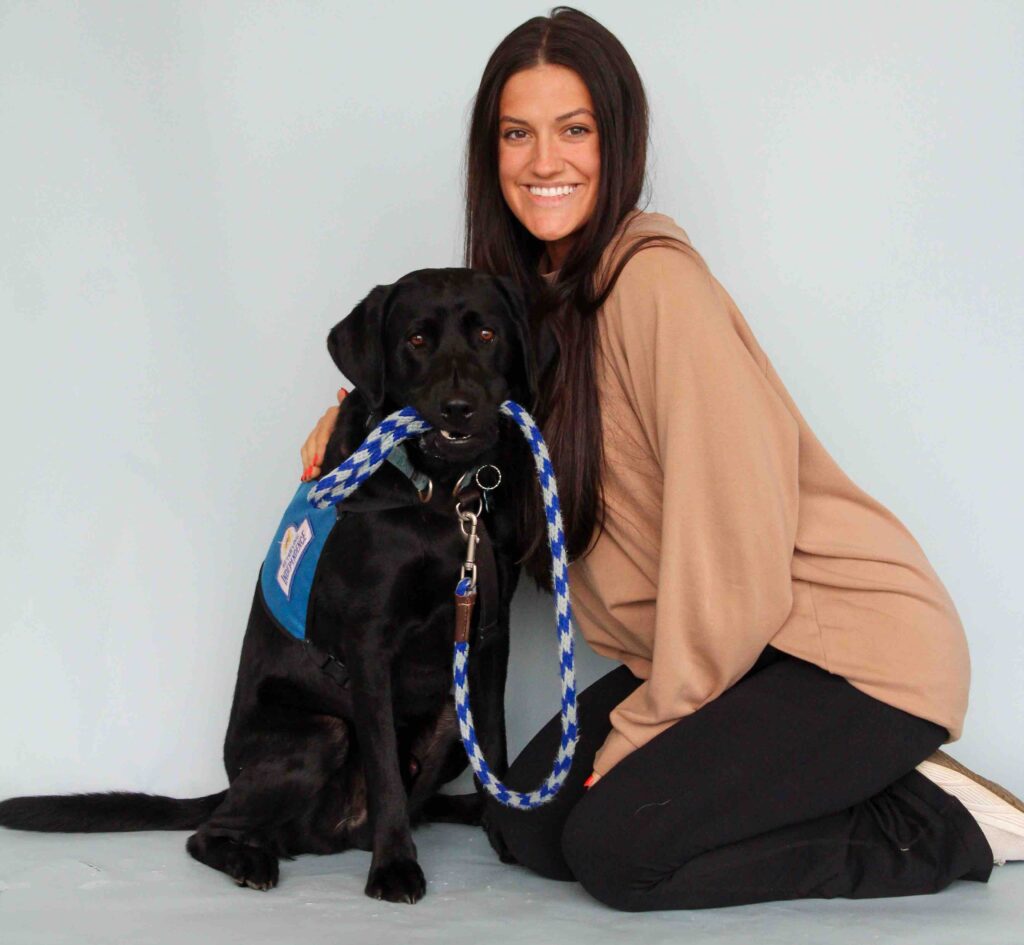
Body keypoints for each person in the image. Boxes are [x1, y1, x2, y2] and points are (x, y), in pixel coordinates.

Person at [298, 7, 1024, 911]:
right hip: (740, 653)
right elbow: (461, 420)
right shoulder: (531, 312)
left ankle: (937, 819)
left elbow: (738, 549)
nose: (544, 161)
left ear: (619, 140)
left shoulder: (655, 287)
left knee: (618, 850)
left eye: (575, 130)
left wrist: (648, 726)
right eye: (517, 134)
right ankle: (804, 778)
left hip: (845, 653)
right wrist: (359, 426)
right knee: (523, 825)